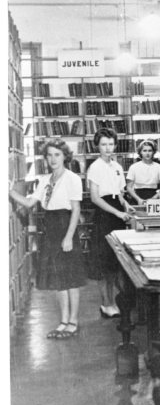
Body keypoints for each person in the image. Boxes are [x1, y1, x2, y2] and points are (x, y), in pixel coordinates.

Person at [9, 140, 87, 338]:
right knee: (58, 279)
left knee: (71, 279)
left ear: (65, 157)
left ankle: (73, 322)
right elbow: (28, 203)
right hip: (50, 229)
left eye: (57, 155)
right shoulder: (44, 180)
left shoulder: (72, 179)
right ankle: (63, 321)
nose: (53, 159)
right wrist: (8, 191)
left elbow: (76, 210)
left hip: (65, 226)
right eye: (49, 155)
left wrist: (69, 237)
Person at [87, 128, 135, 319]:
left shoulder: (116, 166)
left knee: (116, 264)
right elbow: (95, 198)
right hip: (104, 215)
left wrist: (127, 206)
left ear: (115, 145)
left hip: (117, 211)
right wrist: (117, 212)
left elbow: (120, 193)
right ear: (97, 146)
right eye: (103, 144)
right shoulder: (95, 167)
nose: (108, 148)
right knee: (104, 263)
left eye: (110, 144)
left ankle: (114, 301)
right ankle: (106, 303)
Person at [125, 139, 160, 204]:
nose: (147, 153)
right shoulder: (133, 167)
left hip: (154, 196)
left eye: (150, 151)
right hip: (137, 197)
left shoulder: (159, 167)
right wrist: (138, 199)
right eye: (144, 151)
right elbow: (129, 187)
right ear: (140, 152)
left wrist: (154, 199)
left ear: (153, 152)